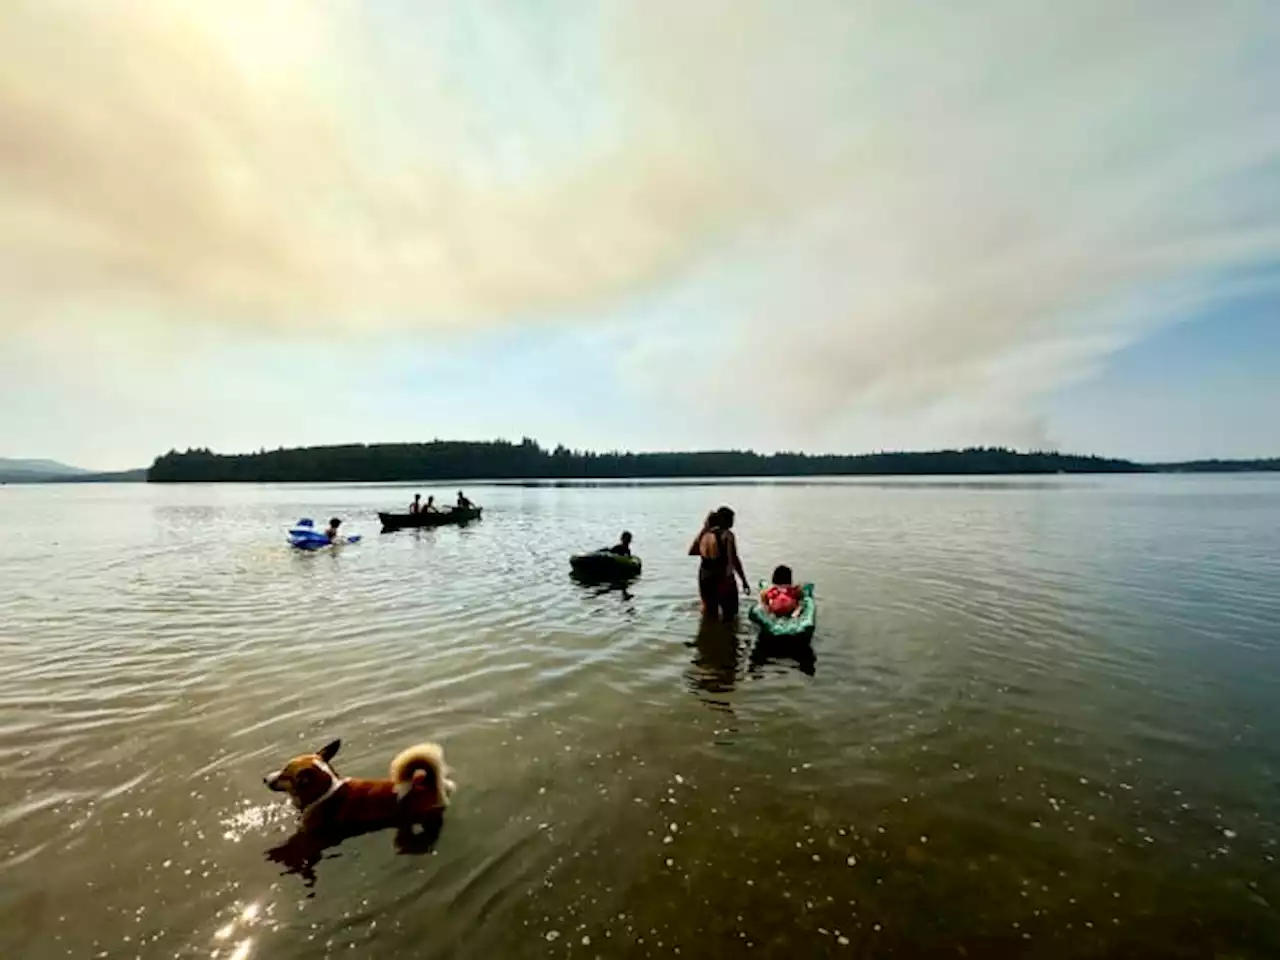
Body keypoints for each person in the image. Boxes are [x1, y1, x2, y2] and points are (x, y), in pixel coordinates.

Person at [695, 506, 749, 619]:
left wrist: (705, 527)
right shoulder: (727, 535)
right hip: (722, 577)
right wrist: (744, 581)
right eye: (731, 519)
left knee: (709, 612)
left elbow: (693, 551)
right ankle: (728, 634)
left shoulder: (704, 534)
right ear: (723, 520)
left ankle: (709, 633)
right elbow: (734, 559)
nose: (733, 522)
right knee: (730, 614)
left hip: (704, 576)